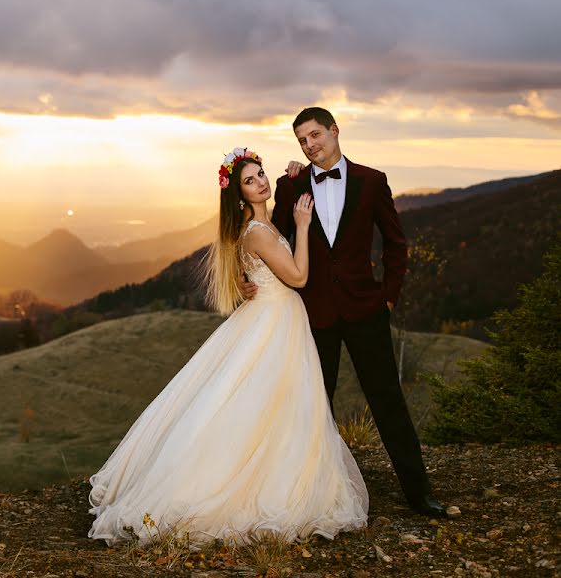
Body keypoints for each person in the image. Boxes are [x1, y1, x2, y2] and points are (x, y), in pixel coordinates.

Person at [87, 148, 369, 546]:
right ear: (239, 196)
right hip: (277, 322)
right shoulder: (257, 233)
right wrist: (303, 226)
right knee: (269, 405)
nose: (261, 183)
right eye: (250, 181)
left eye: (260, 174)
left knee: (273, 406)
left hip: (275, 319)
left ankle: (274, 471)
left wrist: (295, 173)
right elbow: (300, 277)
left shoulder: (260, 229)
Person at [241, 107, 446, 517]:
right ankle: (313, 497)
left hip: (365, 309)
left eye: (315, 135)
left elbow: (395, 243)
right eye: (302, 140)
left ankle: (420, 494)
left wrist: (388, 295)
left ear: (335, 131)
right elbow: (272, 240)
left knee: (388, 399)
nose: (310, 145)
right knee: (315, 404)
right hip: (313, 315)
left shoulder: (372, 181)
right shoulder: (291, 183)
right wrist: (248, 280)